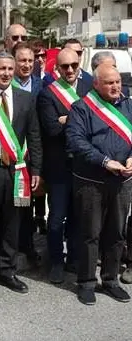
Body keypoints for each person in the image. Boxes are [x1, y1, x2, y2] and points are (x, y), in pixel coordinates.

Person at [0, 51, 42, 298]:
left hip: (19, 171)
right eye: (1, 69)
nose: (6, 73)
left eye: (10, 69)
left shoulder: (26, 98)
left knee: (13, 223)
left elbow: (34, 135)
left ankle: (8, 270)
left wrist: (36, 170)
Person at [66, 65, 132, 305]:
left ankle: (111, 280)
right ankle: (86, 282)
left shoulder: (128, 105)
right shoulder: (81, 108)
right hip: (91, 181)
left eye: (118, 82)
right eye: (109, 83)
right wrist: (105, 161)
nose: (116, 87)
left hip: (122, 181)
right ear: (96, 84)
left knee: (116, 233)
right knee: (89, 234)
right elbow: (76, 141)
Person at [37, 48, 92, 284]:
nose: (69, 70)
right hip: (58, 165)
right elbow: (51, 128)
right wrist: (78, 120)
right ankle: (56, 261)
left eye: (73, 65)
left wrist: (66, 119)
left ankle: (74, 260)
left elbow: (95, 123)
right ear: (56, 69)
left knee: (78, 215)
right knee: (56, 217)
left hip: (83, 164)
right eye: (64, 66)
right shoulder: (48, 94)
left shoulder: (88, 87)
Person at [11, 42, 45, 260]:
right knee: (9, 206)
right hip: (8, 154)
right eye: (22, 60)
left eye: (30, 61)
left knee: (25, 203)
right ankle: (7, 246)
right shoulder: (3, 84)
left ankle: (26, 244)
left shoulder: (40, 86)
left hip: (30, 155)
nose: (26, 65)